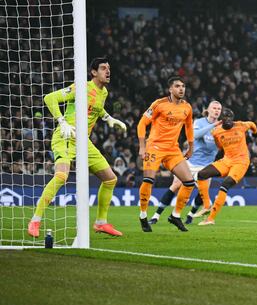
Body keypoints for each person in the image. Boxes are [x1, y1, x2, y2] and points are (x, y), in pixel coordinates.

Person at [28, 58, 127, 238]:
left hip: (84, 142)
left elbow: (96, 109)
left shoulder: (103, 92)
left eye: (109, 68)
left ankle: (100, 223)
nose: (108, 71)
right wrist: (62, 122)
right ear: (94, 72)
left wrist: (108, 118)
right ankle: (35, 220)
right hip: (66, 136)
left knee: (110, 179)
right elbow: (50, 98)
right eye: (104, 68)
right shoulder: (82, 87)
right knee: (61, 176)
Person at [136, 76, 197, 232]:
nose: (181, 89)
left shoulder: (187, 107)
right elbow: (142, 123)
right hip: (154, 147)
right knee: (149, 180)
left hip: (173, 149)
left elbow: (189, 127)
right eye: (177, 86)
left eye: (183, 86)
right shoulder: (159, 104)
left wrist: (191, 147)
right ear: (170, 89)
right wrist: (142, 147)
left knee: (189, 182)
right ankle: (143, 215)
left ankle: (175, 215)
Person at [149, 100, 222, 225]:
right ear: (208, 110)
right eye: (214, 108)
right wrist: (212, 126)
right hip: (191, 162)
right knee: (176, 185)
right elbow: (195, 135)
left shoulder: (221, 128)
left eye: (219, 109)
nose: (216, 110)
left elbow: (219, 146)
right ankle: (156, 215)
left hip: (206, 165)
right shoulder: (199, 122)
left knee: (203, 192)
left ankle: (190, 215)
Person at [196, 109, 257, 225]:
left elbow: (252, 124)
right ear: (222, 120)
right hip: (227, 160)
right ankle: (206, 206)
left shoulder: (241, 125)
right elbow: (220, 146)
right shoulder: (216, 132)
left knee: (225, 184)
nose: (229, 120)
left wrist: (255, 132)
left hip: (241, 162)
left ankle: (210, 219)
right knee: (201, 174)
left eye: (231, 117)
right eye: (226, 118)